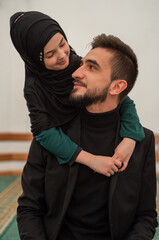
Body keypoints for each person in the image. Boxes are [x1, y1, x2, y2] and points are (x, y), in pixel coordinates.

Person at [17, 34, 158, 239]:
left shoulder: (142, 141)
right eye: (81, 64)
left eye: (91, 67)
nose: (75, 72)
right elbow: (29, 209)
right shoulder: (51, 133)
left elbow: (146, 216)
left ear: (117, 87)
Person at [10, 11, 145, 175]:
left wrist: (130, 139)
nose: (62, 56)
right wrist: (92, 160)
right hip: (67, 158)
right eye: (50, 54)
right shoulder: (35, 90)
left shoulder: (78, 64)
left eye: (62, 43)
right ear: (35, 60)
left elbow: (121, 98)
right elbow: (44, 132)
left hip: (97, 135)